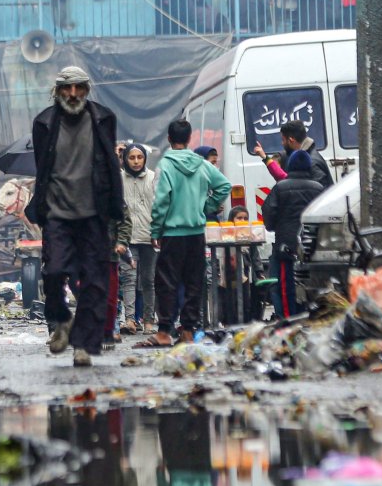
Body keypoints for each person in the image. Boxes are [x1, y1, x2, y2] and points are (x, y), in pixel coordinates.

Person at [25, 66, 126, 368]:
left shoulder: (104, 118)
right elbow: (42, 169)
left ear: (87, 89)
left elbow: (109, 164)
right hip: (57, 214)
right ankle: (61, 319)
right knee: (54, 272)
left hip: (93, 214)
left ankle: (83, 344)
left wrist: (114, 206)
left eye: (78, 88)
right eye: (66, 89)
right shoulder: (43, 123)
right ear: (56, 92)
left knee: (94, 282)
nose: (72, 95)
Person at [141, 118, 231, 346]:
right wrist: (206, 207)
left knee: (167, 283)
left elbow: (161, 201)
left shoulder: (166, 165)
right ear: (190, 138)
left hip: (172, 234)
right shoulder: (202, 165)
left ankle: (164, 332)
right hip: (196, 233)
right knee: (194, 282)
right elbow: (223, 186)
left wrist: (156, 230)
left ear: (169, 139)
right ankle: (188, 332)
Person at [261, 148, 326, 321]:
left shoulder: (280, 188)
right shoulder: (319, 188)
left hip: (286, 247)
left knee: (284, 286)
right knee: (311, 286)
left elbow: (268, 213)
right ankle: (310, 320)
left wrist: (275, 227)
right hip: (312, 247)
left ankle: (288, 323)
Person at [118, 143, 158, 336]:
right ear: (125, 159)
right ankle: (130, 320)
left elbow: (159, 205)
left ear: (144, 159)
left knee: (149, 280)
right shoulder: (118, 178)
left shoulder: (153, 178)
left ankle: (149, 320)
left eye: (139, 157)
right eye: (131, 157)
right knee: (129, 279)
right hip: (127, 238)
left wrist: (158, 231)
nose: (135, 161)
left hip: (149, 238)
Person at [251, 119, 332, 188]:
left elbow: (319, 194)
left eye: (283, 140)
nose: (282, 143)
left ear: (291, 140)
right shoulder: (301, 158)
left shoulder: (313, 162)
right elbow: (285, 178)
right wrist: (265, 157)